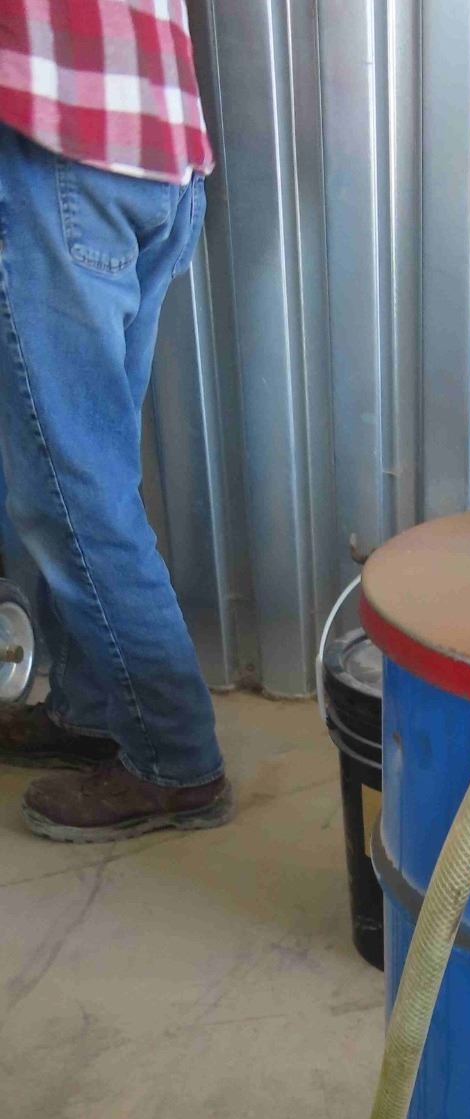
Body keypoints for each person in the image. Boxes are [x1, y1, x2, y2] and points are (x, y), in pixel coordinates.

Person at [0, 1, 229, 842]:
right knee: (90, 477)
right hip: (155, 151)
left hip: (54, 146)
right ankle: (93, 711)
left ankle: (176, 762)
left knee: (71, 494)